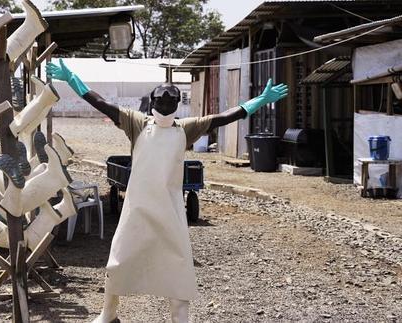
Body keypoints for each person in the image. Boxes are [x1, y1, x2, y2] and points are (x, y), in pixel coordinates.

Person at [46, 59, 288, 323]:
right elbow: (101, 103)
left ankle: (179, 317)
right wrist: (73, 80)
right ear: (152, 103)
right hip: (136, 210)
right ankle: (109, 313)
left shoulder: (186, 128)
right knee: (119, 260)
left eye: (170, 101)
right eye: (160, 100)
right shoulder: (136, 122)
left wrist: (258, 101)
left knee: (177, 267)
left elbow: (224, 117)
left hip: (170, 212)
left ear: (176, 104)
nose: (164, 105)